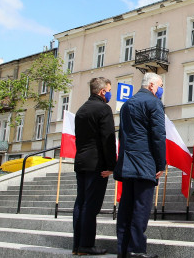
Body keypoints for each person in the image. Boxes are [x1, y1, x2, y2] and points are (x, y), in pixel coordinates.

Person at [115, 72, 166, 258]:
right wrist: (161, 163)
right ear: (152, 85)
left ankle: (123, 249)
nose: (161, 89)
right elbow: (158, 136)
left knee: (126, 208)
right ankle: (136, 250)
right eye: (160, 86)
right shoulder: (154, 103)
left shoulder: (127, 104)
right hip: (145, 164)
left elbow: (122, 134)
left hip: (127, 163)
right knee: (140, 209)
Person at [72, 77, 116, 256]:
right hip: (96, 164)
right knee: (91, 206)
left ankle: (77, 245)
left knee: (80, 204)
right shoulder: (104, 109)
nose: (110, 93)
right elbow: (108, 139)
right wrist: (111, 165)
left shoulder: (81, 110)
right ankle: (87, 245)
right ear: (103, 91)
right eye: (109, 90)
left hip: (81, 161)